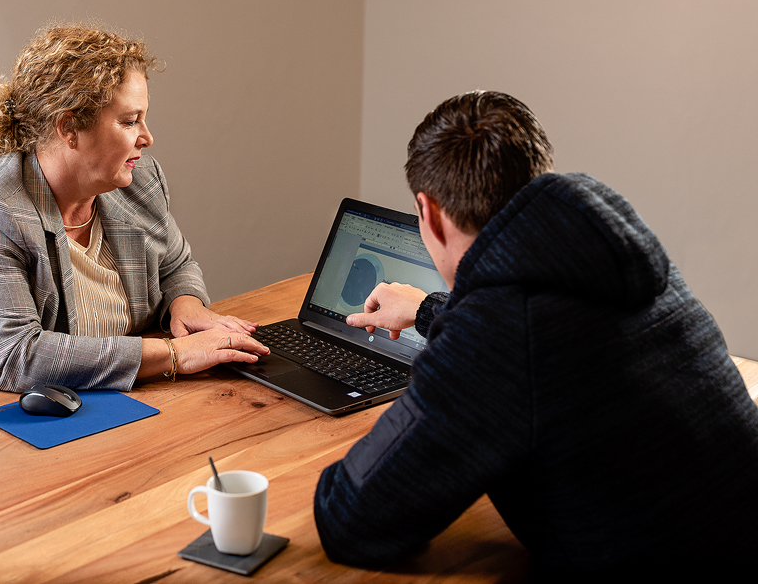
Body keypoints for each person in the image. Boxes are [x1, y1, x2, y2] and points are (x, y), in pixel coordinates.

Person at [313, 91, 758, 575]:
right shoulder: (621, 255)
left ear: (430, 213)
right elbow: (542, 337)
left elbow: (350, 519)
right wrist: (430, 310)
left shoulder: (498, 336)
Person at [0, 24, 267, 393]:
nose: (147, 138)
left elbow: (175, 264)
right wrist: (175, 354)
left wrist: (187, 305)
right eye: (130, 121)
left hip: (109, 396)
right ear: (69, 127)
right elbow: (18, 358)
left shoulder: (138, 181)